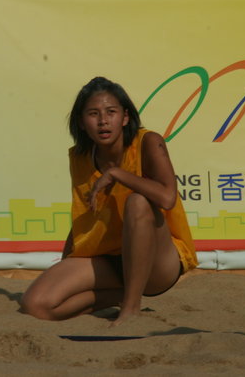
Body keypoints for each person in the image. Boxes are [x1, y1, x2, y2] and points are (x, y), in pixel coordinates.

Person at [19, 77, 198, 326]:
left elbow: (167, 198)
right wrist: (65, 265)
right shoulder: (81, 157)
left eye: (111, 112)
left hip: (157, 264)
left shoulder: (148, 142)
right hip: (109, 258)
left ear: (125, 117)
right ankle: (120, 296)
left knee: (138, 202)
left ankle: (131, 308)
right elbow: (84, 216)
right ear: (81, 122)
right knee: (35, 305)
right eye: (93, 114)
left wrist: (117, 174)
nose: (103, 120)